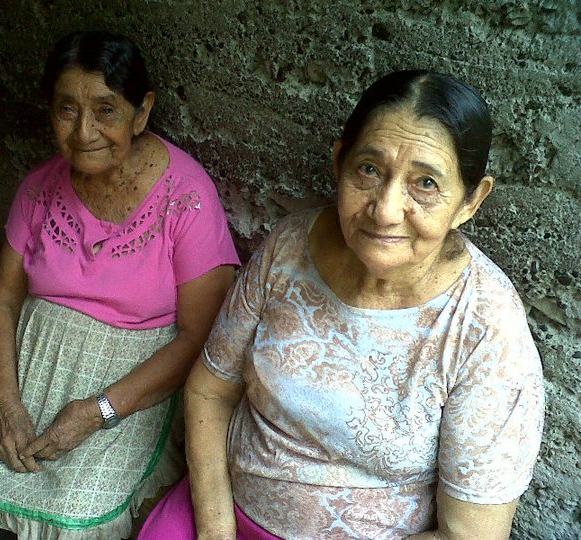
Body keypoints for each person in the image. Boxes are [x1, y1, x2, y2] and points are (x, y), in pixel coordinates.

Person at [138, 70, 545, 539]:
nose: (386, 209)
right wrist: (215, 529)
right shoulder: (290, 246)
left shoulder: (484, 326)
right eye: (369, 170)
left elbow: (470, 536)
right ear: (339, 162)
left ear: (471, 201)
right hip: (226, 513)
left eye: (426, 184)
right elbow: (211, 389)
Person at [0, 30, 239, 539]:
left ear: (142, 112)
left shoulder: (187, 197)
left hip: (134, 388)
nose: (84, 131)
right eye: (66, 110)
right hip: (34, 368)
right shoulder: (39, 187)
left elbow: (199, 337)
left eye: (106, 111)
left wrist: (101, 410)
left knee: (75, 510)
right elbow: (3, 297)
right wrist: (4, 400)